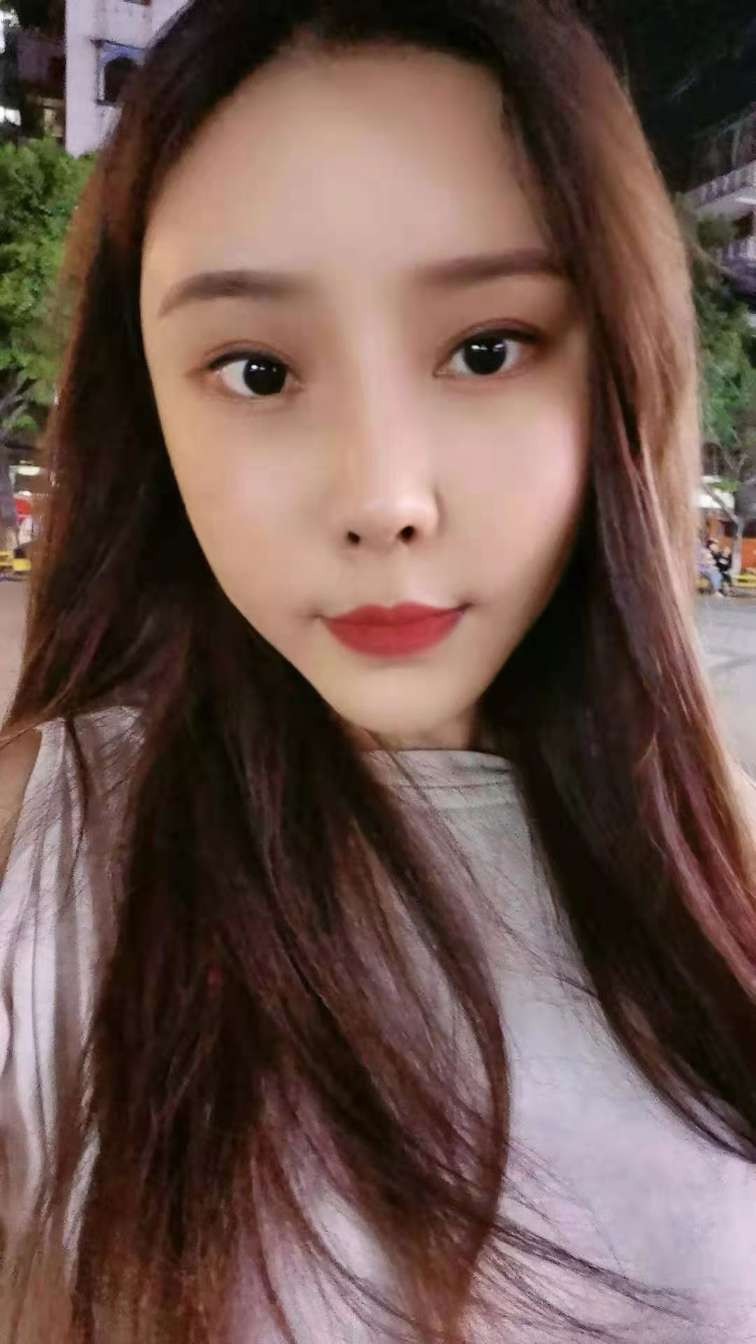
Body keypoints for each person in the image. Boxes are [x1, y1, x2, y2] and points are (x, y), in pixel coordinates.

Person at [0, 3, 755, 1342]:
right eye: (257, 371)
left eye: (486, 349)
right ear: (150, 413)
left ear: (621, 370)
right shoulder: (39, 854)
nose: (383, 500)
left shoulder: (733, 874)